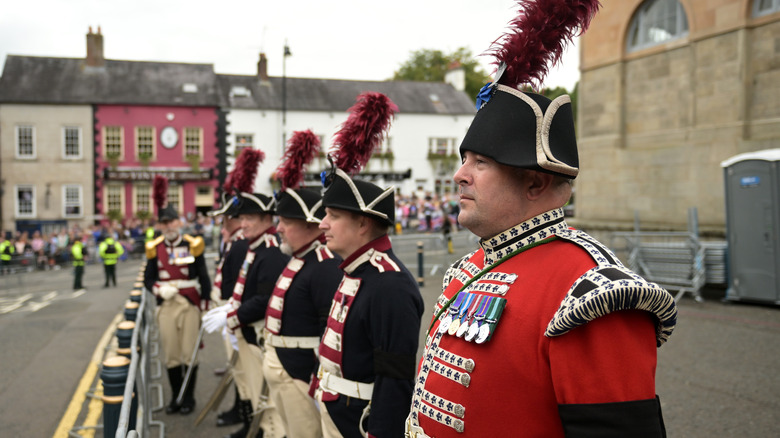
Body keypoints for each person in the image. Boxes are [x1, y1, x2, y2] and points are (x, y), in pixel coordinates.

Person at [405, 2, 678, 437]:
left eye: (481, 162)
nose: (459, 174)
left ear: (534, 184)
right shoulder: (472, 267)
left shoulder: (591, 293)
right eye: (464, 159)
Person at [313, 92, 425, 438]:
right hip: (336, 408)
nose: (322, 224)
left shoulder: (389, 284)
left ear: (363, 224)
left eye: (332, 215)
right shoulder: (355, 269)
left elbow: (396, 379)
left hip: (358, 421)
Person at [260, 129, 343, 438]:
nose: (279, 229)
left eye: (285, 222)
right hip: (281, 362)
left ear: (310, 224)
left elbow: (328, 329)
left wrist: (314, 376)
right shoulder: (298, 256)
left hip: (300, 369)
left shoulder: (323, 265)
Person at [202, 186, 288, 438]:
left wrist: (233, 315)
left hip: (259, 333)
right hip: (248, 331)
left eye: (249, 218)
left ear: (266, 219)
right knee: (253, 390)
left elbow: (265, 299)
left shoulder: (270, 251)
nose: (243, 223)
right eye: (242, 217)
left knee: (268, 404)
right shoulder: (256, 247)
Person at [144, 175, 212, 416]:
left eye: (172, 222)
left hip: (189, 303)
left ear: (179, 222)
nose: (169, 227)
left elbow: (204, 277)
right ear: (161, 226)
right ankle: (175, 396)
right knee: (171, 355)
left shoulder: (193, 244)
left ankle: (189, 397)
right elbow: (148, 279)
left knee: (189, 353)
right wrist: (159, 289)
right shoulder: (155, 248)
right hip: (166, 304)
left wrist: (204, 304)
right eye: (165, 223)